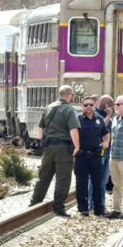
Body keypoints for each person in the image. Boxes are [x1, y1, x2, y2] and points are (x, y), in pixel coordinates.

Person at [30, 85, 80, 217]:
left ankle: (35, 203)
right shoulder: (69, 110)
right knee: (63, 178)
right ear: (69, 95)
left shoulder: (48, 107)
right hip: (63, 148)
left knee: (44, 176)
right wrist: (77, 146)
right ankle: (58, 207)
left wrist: (43, 140)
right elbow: (73, 129)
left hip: (48, 147)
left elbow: (41, 127)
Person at [74, 96, 108, 216]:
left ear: (94, 106)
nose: (88, 107)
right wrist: (76, 149)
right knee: (81, 183)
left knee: (97, 183)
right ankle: (83, 209)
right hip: (82, 155)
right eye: (85, 105)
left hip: (96, 155)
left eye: (91, 105)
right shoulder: (77, 119)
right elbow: (72, 135)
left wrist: (106, 143)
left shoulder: (99, 119)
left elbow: (106, 133)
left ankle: (99, 209)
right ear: (82, 107)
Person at [88, 94, 114, 206]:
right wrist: (108, 115)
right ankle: (91, 205)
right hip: (98, 151)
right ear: (106, 105)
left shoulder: (106, 114)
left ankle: (100, 205)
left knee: (103, 181)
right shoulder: (95, 114)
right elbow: (101, 127)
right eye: (112, 106)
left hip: (106, 151)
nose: (113, 108)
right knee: (94, 178)